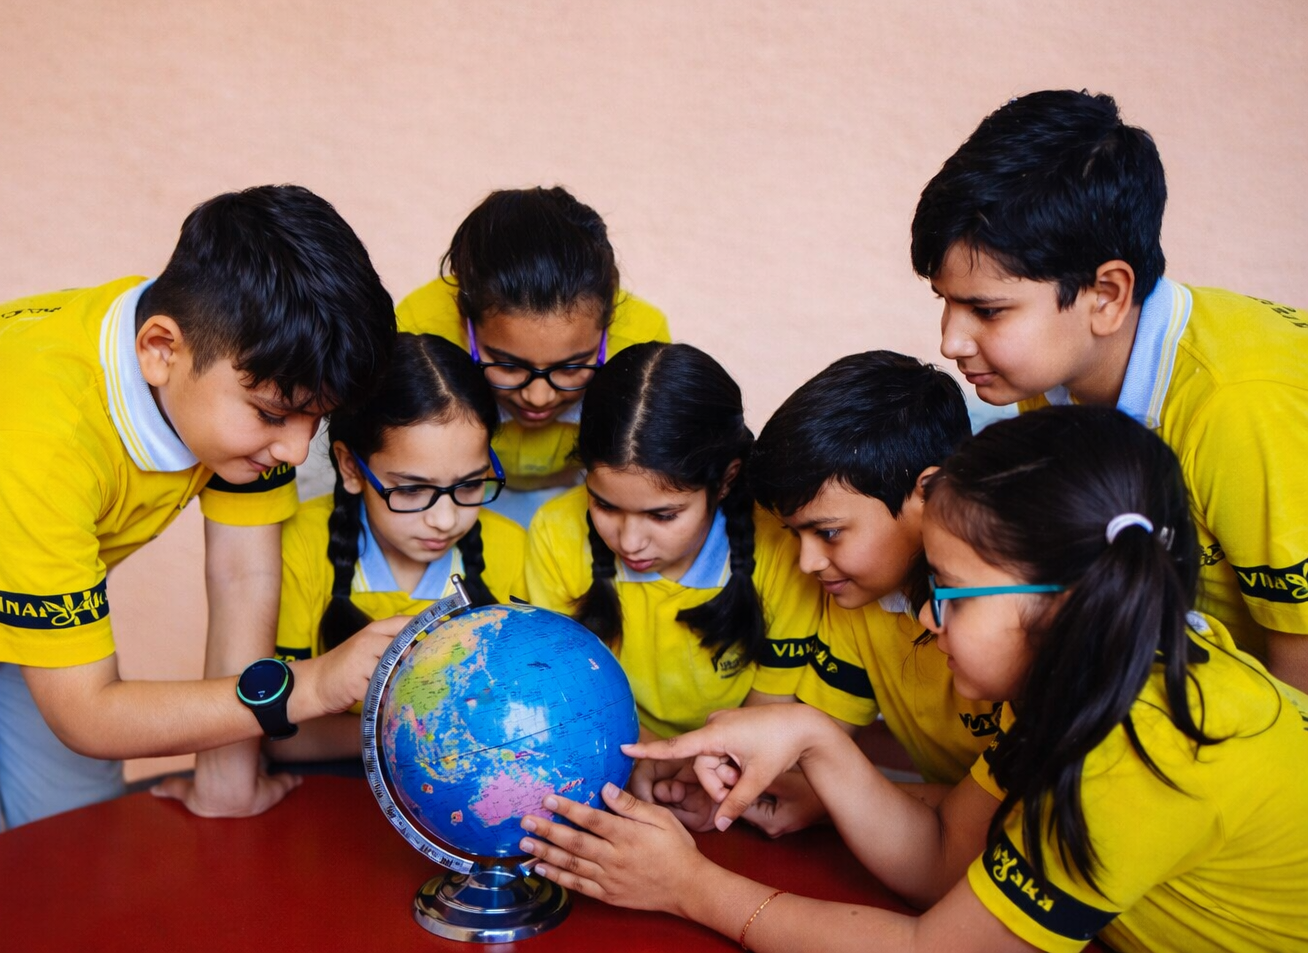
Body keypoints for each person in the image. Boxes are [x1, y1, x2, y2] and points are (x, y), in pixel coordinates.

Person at [0, 185, 402, 896]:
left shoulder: (234, 377)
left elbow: (243, 578)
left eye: (314, 421)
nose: (295, 451)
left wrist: (226, 779)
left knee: (78, 834)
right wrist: (313, 685)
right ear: (159, 350)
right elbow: (87, 713)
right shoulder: (33, 439)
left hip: (25, 536)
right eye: (273, 415)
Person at [520, 406, 1308, 953]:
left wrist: (691, 887)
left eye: (953, 595)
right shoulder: (1089, 676)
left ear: (1058, 603)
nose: (929, 622)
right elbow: (942, 853)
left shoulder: (1145, 746)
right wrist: (816, 742)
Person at [912, 88, 1308, 691]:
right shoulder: (1057, 367)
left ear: (1107, 295)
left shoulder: (1239, 406)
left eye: (987, 311)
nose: (951, 341)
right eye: (946, 302)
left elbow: (1300, 663)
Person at [674, 351, 985, 839]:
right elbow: (813, 750)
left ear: (929, 492)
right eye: (796, 535)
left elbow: (1021, 809)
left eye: (830, 532)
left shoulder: (1009, 611)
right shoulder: (856, 601)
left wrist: (830, 794)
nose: (807, 563)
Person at [523, 342, 813, 752]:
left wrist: (704, 768)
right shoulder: (555, 531)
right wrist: (648, 757)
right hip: (613, 748)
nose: (630, 541)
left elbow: (770, 708)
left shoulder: (782, 545)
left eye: (663, 515)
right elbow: (570, 690)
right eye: (604, 504)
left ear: (727, 480)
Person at [267, 333, 527, 761]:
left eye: (470, 484)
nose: (444, 519)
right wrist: (421, 741)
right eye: (410, 490)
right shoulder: (299, 545)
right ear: (351, 467)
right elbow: (282, 738)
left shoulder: (511, 548)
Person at [396, 186, 671, 525]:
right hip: (457, 496)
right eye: (509, 365)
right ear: (464, 318)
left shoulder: (642, 346)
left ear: (609, 320)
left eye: (572, 366)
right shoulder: (417, 331)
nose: (538, 398)